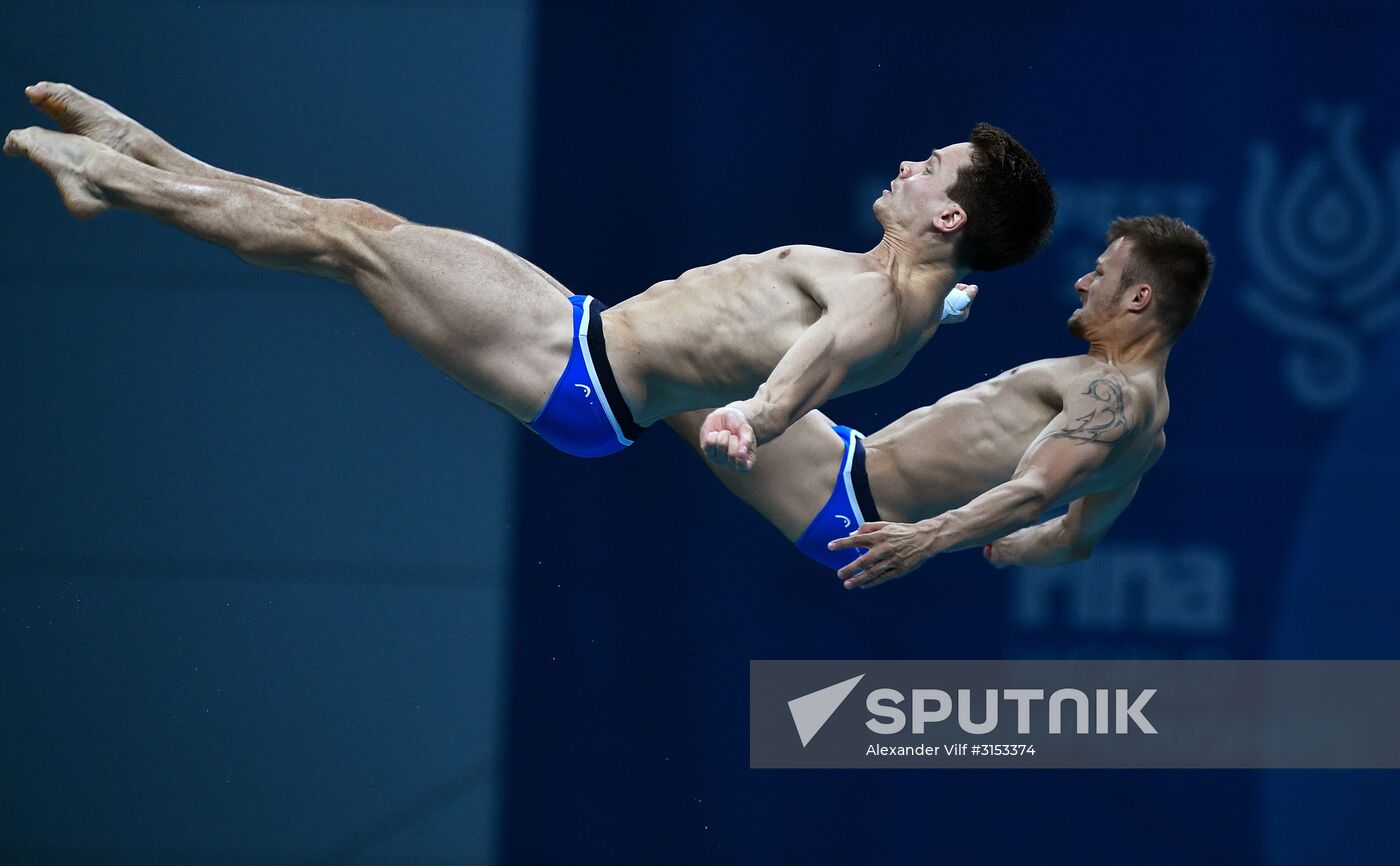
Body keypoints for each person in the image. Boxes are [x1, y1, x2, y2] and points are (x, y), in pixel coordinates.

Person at [5, 83, 1053, 469]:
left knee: (347, 240)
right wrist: (962, 295)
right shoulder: (917, 290)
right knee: (359, 224)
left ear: (948, 217)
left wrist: (759, 418)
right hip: (588, 360)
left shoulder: (877, 294)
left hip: (573, 364)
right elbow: (905, 314)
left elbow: (821, 356)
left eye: (932, 170)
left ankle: (115, 176)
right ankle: (147, 160)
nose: (911, 166)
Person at [668, 216, 1212, 589]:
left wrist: (927, 538)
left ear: (1140, 298)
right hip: (854, 480)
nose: (1081, 281)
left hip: (844, 495)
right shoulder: (1148, 436)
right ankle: (921, 313)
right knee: (706, 342)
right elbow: (1073, 539)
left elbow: (1035, 488)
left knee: (667, 353)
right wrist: (1006, 547)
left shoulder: (1108, 392)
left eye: (1100, 273)